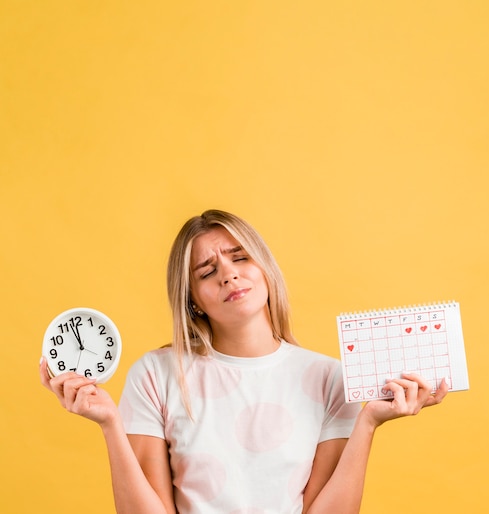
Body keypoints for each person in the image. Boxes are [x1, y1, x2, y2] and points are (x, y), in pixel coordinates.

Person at [40, 209, 448, 514]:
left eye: (240, 258)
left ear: (264, 269)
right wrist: (110, 424)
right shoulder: (156, 374)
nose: (229, 275)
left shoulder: (328, 378)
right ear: (192, 300)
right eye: (207, 270)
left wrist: (369, 422)